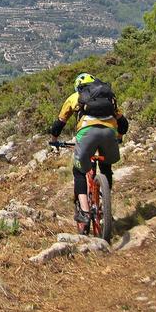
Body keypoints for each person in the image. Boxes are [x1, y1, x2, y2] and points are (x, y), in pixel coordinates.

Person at [50, 73, 128, 231]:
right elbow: (123, 123)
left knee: (78, 171)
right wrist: (118, 137)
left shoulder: (75, 97)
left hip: (87, 133)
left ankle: (84, 213)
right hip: (110, 133)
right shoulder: (108, 97)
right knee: (106, 168)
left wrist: (54, 139)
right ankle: (105, 207)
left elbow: (59, 123)